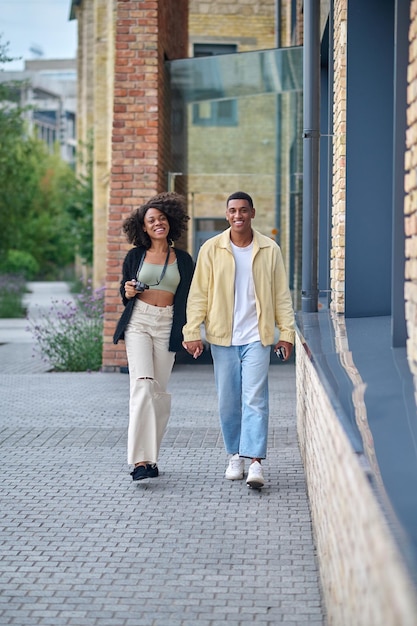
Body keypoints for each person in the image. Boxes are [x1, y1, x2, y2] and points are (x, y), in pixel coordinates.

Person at [182, 191, 295, 489]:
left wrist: (287, 333)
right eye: (233, 211)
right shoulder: (211, 249)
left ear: (252, 213)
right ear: (227, 214)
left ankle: (255, 461)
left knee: (255, 400)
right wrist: (192, 331)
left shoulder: (270, 249)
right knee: (228, 401)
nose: (238, 215)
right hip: (223, 338)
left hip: (258, 337)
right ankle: (235, 454)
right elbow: (198, 295)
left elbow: (281, 296)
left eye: (243, 210)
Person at [113, 192, 195, 481]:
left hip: (167, 325)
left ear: (170, 222)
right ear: (143, 228)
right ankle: (139, 462)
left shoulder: (183, 260)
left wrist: (192, 333)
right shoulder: (135, 256)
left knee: (157, 395)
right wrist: (128, 291)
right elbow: (125, 293)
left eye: (161, 218)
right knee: (143, 386)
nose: (157, 223)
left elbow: (189, 300)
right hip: (139, 322)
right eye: (151, 220)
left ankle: (151, 458)